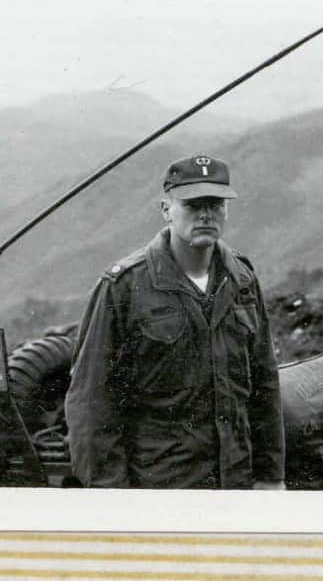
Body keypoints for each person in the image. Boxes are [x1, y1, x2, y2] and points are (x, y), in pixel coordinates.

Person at [64, 155, 285, 489]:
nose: (206, 214)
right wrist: (110, 500)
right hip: (161, 490)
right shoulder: (125, 285)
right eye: (193, 204)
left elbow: (265, 384)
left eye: (215, 204)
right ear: (166, 209)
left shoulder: (241, 279)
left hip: (235, 483)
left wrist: (271, 477)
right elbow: (91, 403)